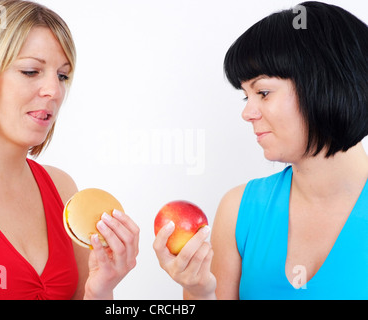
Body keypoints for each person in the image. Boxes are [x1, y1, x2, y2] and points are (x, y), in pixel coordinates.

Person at [154, 1, 367, 299]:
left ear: (325, 83)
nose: (247, 113)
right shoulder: (239, 210)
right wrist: (199, 291)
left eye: (263, 92)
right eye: (246, 97)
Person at [0, 0, 139, 300]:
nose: (54, 91)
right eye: (31, 71)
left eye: (62, 75)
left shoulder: (62, 189)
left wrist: (102, 288)